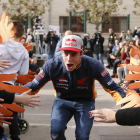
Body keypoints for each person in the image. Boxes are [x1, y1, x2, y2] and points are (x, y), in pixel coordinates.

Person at [24, 35, 126, 140]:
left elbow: (113, 88)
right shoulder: (52, 65)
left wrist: (126, 105)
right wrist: (15, 95)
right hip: (62, 101)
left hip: (85, 102)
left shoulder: (93, 65)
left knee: (82, 137)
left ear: (81, 53)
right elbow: (34, 85)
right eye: (65, 53)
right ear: (61, 52)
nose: (69, 59)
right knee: (56, 132)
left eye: (74, 54)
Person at [0, 20, 29, 140]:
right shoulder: (24, 51)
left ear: (11, 33)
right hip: (11, 84)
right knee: (13, 109)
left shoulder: (1, 46)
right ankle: (15, 136)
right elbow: (23, 73)